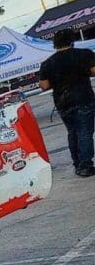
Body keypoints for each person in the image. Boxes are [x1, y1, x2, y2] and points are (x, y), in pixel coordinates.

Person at [38, 29, 95, 177]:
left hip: (62, 102)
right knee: (85, 132)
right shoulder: (84, 54)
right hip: (83, 98)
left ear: (55, 44)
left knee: (72, 132)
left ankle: (77, 163)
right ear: (72, 40)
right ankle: (86, 165)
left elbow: (44, 85)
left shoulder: (47, 63)